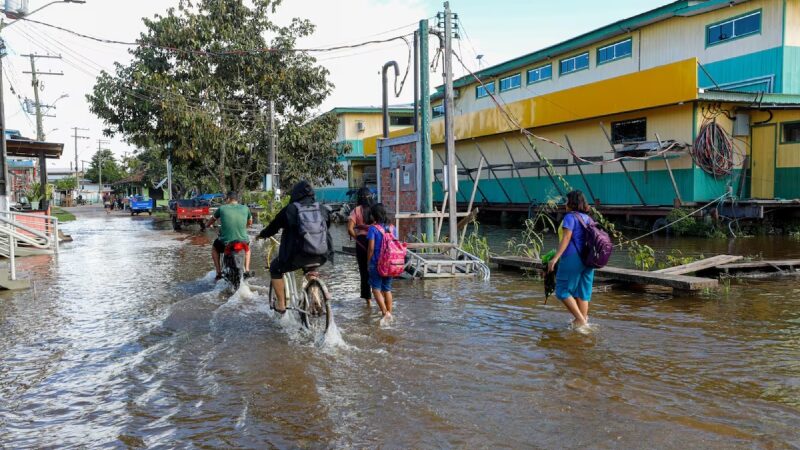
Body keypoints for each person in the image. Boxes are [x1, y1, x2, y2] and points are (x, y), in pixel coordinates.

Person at [258, 180, 332, 313]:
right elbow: (327, 227)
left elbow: (273, 227)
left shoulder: (291, 209)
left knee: (275, 268)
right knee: (311, 268)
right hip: (321, 255)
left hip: (297, 256)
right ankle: (316, 297)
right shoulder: (321, 208)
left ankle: (281, 304)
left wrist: (262, 235)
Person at [546, 190, 595, 328]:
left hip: (573, 258)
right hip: (588, 260)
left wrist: (555, 258)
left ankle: (580, 320)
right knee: (582, 293)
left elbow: (566, 238)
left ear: (572, 203)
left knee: (562, 290)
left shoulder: (570, 217)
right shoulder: (588, 218)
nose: (565, 204)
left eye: (567, 201)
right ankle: (583, 324)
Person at [205, 191, 253, 281]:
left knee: (214, 248)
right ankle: (247, 270)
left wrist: (207, 225)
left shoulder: (222, 208)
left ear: (228, 199)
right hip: (242, 241)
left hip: (226, 243)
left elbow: (212, 220)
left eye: (226, 199)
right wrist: (245, 226)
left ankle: (218, 272)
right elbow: (250, 222)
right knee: (247, 249)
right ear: (237, 199)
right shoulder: (245, 208)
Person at [366, 203, 396, 323]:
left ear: (374, 215)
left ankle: (384, 312)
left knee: (376, 289)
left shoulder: (373, 229)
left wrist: (368, 262)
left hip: (376, 263)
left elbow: (371, 248)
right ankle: (390, 313)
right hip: (390, 263)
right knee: (387, 289)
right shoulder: (392, 228)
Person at [347, 187, 375, 306]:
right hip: (376, 241)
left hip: (361, 242)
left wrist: (357, 238)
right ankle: (380, 295)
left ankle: (368, 301)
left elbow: (349, 229)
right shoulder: (375, 209)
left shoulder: (356, 210)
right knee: (378, 269)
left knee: (364, 271)